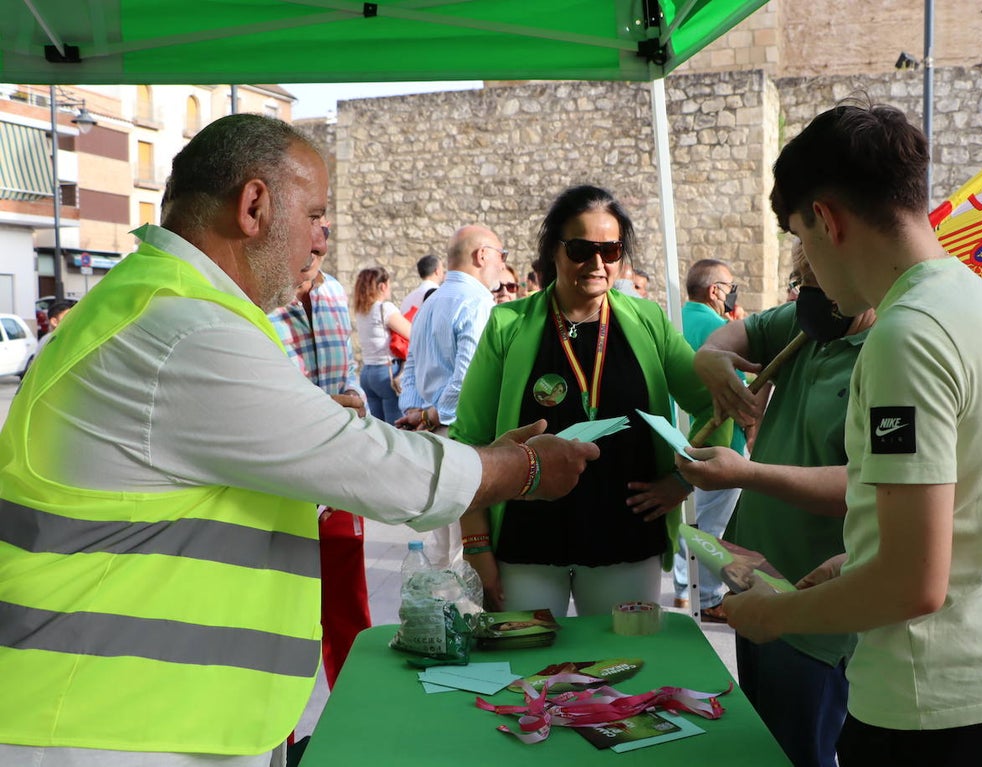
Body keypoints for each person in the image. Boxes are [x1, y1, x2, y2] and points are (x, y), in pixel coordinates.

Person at [0, 113, 598, 767]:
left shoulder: (154, 304)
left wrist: (310, 433)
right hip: (106, 726)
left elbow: (190, 500)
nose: (323, 238)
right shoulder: (184, 327)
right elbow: (377, 470)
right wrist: (520, 470)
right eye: (314, 214)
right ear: (253, 204)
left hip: (137, 715)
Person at [722, 103, 982, 767]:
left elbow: (913, 583)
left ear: (827, 219)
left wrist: (774, 615)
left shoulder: (906, 335)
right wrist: (860, 552)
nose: (807, 262)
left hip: (920, 696)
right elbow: (965, 505)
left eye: (800, 238)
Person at [450, 184, 729, 618]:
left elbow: (716, 402)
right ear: (554, 251)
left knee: (625, 677)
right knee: (530, 675)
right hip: (526, 543)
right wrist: (476, 544)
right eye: (581, 248)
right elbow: (469, 438)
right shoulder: (508, 324)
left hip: (626, 540)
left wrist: (683, 480)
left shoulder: (648, 321)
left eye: (611, 249)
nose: (597, 263)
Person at [677, 243, 874, 767]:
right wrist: (711, 356)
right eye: (798, 278)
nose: (804, 295)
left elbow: (870, 487)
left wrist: (747, 473)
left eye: (819, 282)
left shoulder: (888, 351)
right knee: (762, 745)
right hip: (756, 576)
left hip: (817, 604)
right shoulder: (809, 319)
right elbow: (734, 334)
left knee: (800, 750)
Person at [267, 228, 372, 691]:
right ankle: (278, 749)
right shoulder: (256, 301)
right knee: (279, 622)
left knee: (349, 611)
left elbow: (348, 367)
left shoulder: (332, 292)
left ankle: (357, 723)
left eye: (323, 229)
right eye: (306, 227)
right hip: (281, 486)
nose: (318, 244)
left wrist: (353, 394)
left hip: (338, 478)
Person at [397, 224, 508, 567]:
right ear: (482, 255)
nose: (502, 267)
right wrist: (432, 413)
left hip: (431, 432)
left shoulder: (432, 302)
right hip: (462, 432)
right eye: (501, 258)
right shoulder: (476, 302)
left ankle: (442, 616)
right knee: (468, 549)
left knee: (443, 545)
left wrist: (417, 411)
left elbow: (411, 369)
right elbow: (469, 376)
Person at [672, 258, 748, 623]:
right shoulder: (721, 329)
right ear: (716, 290)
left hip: (674, 435)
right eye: (730, 287)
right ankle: (707, 595)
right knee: (712, 524)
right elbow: (743, 392)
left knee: (686, 515)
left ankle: (686, 589)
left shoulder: (674, 319)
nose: (732, 295)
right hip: (717, 439)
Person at [352, 266, 412, 424]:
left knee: (378, 427)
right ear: (382, 286)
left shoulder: (361, 311)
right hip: (387, 372)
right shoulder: (385, 308)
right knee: (396, 427)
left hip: (367, 373)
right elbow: (412, 333)